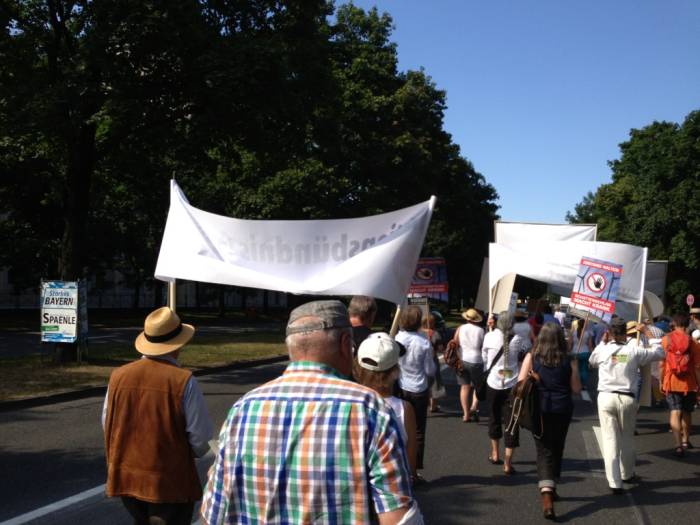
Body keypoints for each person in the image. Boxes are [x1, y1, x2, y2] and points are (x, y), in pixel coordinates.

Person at [201, 300, 420, 525]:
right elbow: (398, 518)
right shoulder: (371, 410)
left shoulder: (243, 409)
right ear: (346, 344)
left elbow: (213, 512)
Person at [102, 307, 213, 525]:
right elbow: (200, 438)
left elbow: (107, 421)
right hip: (168, 481)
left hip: (127, 477)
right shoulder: (183, 380)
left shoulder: (118, 376)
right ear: (178, 345)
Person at [589, 318, 664, 493]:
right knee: (627, 439)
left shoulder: (604, 350)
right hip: (627, 398)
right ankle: (627, 474)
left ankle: (615, 482)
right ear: (625, 333)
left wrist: (602, 341)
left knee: (610, 441)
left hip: (606, 397)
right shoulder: (634, 350)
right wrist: (647, 333)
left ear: (609, 332)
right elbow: (660, 353)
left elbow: (592, 361)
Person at [518, 322, 581, 520]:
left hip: (540, 409)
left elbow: (520, 382)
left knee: (543, 449)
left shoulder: (532, 357)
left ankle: (547, 494)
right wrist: (575, 369)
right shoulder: (568, 360)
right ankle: (552, 485)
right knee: (557, 447)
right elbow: (577, 389)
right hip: (562, 409)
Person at [354, 332, 418, 480]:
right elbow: (410, 461)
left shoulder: (347, 403)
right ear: (395, 371)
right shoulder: (404, 408)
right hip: (391, 487)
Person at [482, 311, 527, 475]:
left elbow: (484, 357)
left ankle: (495, 453)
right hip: (512, 385)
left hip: (493, 382)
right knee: (512, 422)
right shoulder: (519, 339)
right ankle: (508, 463)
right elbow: (523, 358)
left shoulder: (489, 337)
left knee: (493, 417)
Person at [396, 305, 436, 480]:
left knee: (400, 427)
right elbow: (429, 370)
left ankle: (400, 465)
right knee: (418, 431)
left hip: (401, 386)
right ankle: (413, 470)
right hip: (419, 388)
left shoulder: (398, 338)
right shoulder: (424, 341)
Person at [659, 313, 700, 457]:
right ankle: (685, 440)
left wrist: (661, 380)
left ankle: (677, 445)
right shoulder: (692, 342)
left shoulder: (666, 340)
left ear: (674, 324)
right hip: (689, 383)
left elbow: (661, 363)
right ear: (688, 325)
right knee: (687, 412)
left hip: (671, 380)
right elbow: (696, 366)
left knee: (675, 411)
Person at [453, 308, 485, 422]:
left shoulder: (460, 328)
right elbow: (483, 346)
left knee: (464, 387)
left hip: (462, 359)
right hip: (476, 360)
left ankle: (466, 414)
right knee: (477, 386)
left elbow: (454, 343)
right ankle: (474, 407)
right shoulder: (481, 331)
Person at [421, 313, 445, 413]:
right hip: (432, 360)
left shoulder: (418, 333)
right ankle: (433, 406)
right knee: (434, 383)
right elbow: (440, 349)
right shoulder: (435, 334)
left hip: (421, 360)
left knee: (424, 382)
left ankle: (424, 403)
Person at [569, 319, 594, 389]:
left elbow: (570, 343)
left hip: (575, 353)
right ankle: (583, 385)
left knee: (575, 369)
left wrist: (568, 351)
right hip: (585, 353)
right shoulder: (588, 333)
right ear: (585, 325)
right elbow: (590, 345)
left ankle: (576, 383)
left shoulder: (573, 332)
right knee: (584, 370)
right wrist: (592, 354)